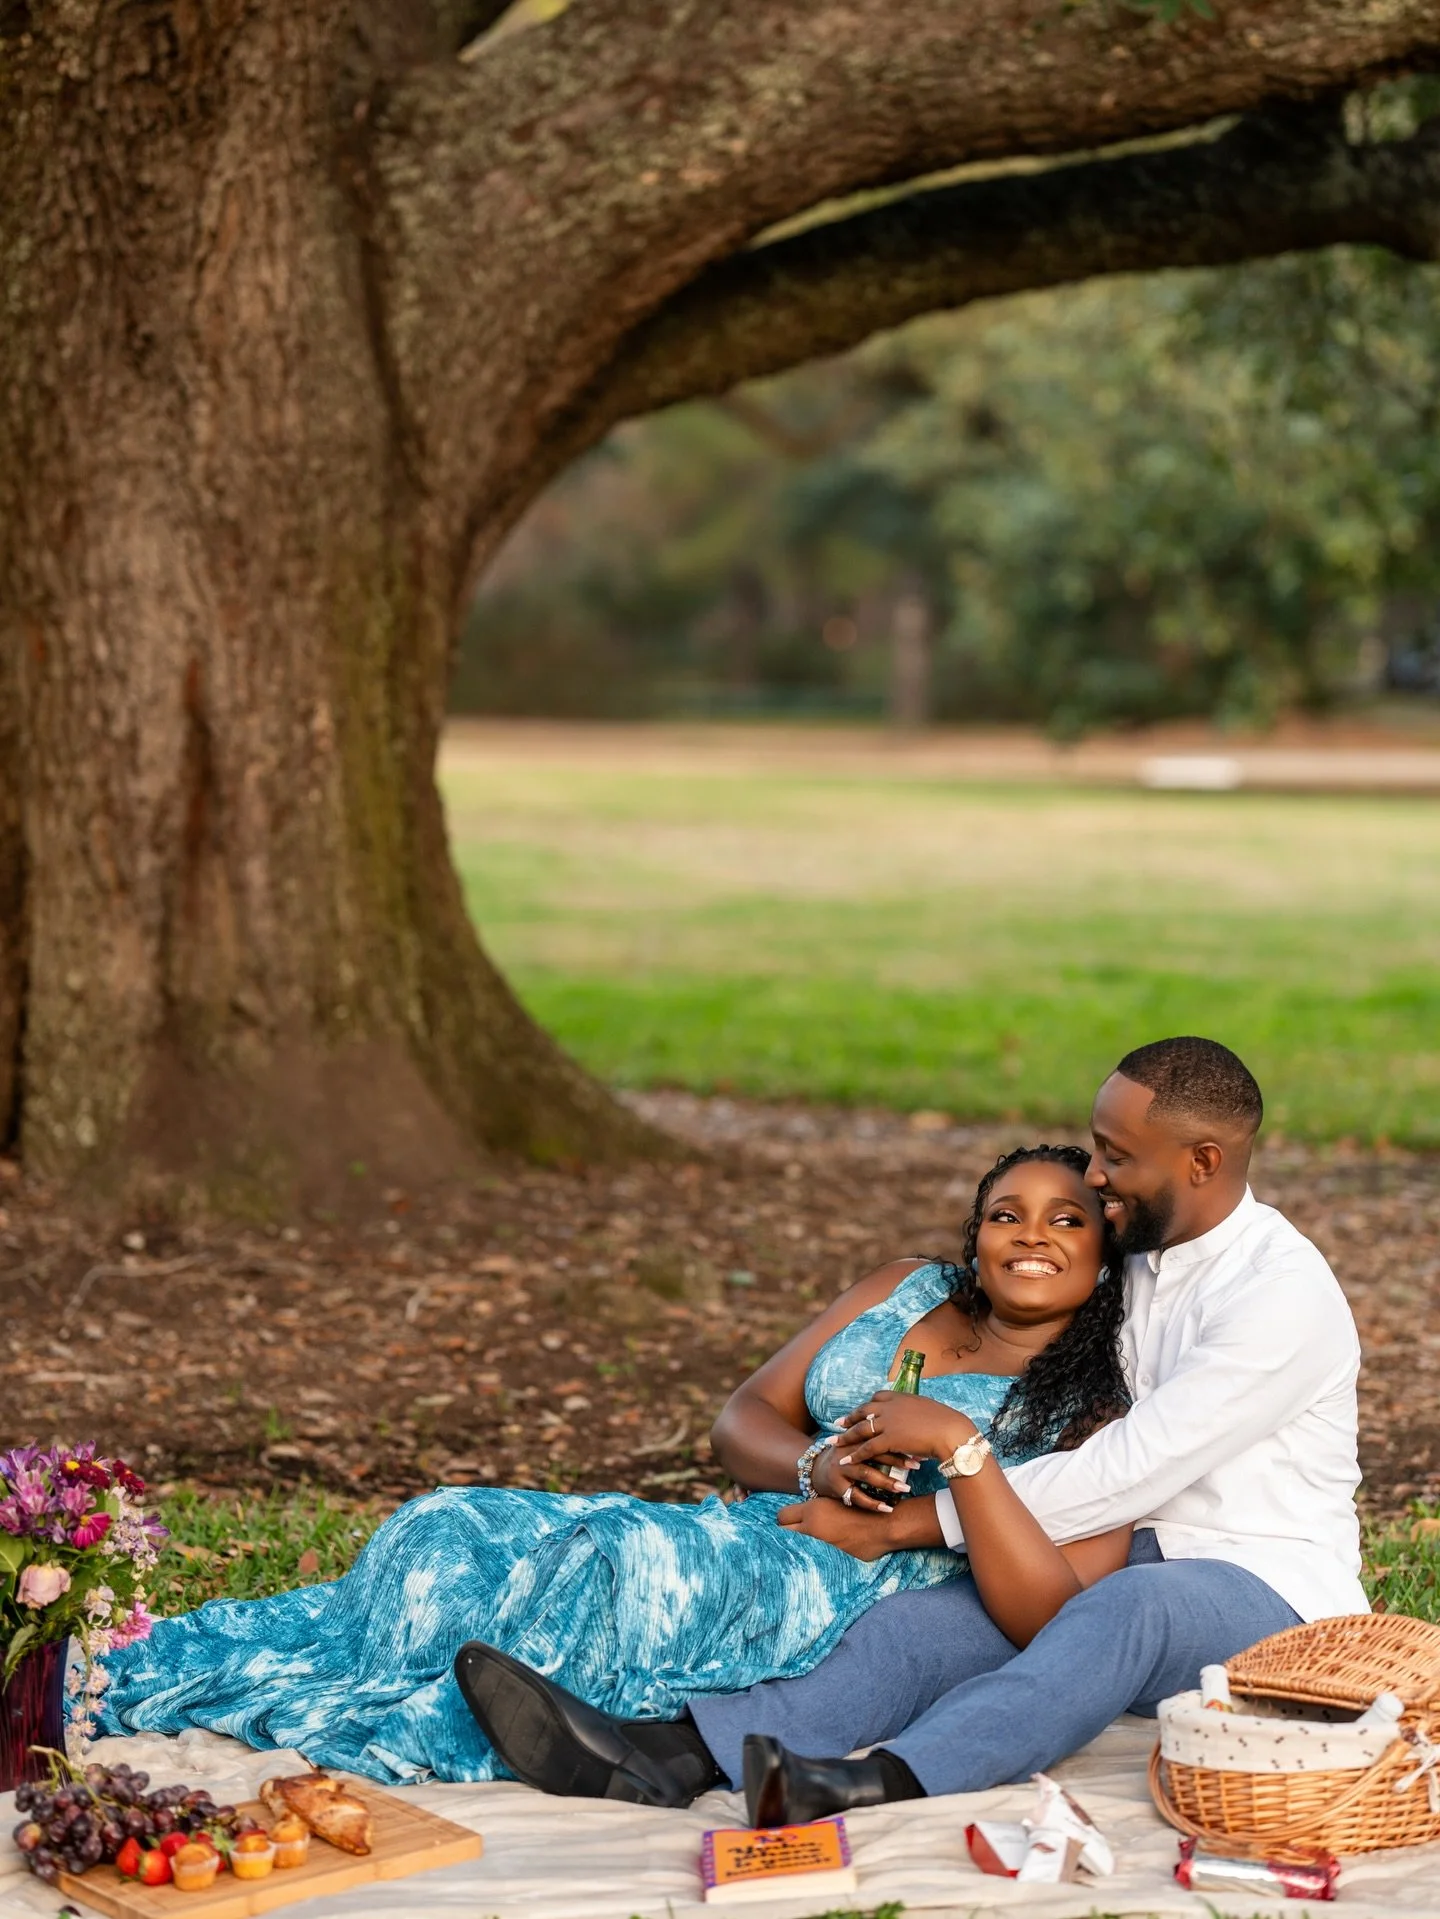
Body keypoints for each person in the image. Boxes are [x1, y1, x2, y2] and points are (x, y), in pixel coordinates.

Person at [459, 1036, 1366, 1825]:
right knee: (923, 1624)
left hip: (1263, 1581)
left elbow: (1123, 1470)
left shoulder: (1278, 1297)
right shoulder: (1134, 1251)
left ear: (1203, 1161)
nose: (1094, 1177)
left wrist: (904, 1521)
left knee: (1125, 1611)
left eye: (1114, 1156)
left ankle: (886, 1781)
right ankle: (671, 1752)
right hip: (1124, 1543)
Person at [95, 1144, 1129, 1784]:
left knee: (609, 1562)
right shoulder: (905, 1287)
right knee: (445, 1523)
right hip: (753, 1514)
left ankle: (424, 1715)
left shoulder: (1096, 1401)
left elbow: (1055, 1607)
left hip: (843, 1579)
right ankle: (211, 1669)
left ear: (1101, 1250)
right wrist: (813, 1461)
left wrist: (959, 1443)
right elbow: (742, 1417)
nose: (1030, 1235)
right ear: (976, 1230)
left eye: (1065, 1218)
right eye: (1007, 1212)